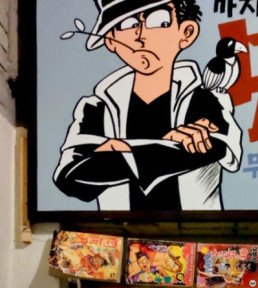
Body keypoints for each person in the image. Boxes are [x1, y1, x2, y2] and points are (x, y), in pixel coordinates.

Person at [54, 0, 244, 211]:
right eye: (128, 24)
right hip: (116, 231)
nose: (141, 35)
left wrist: (118, 149)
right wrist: (165, 146)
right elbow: (71, 178)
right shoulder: (96, 108)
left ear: (186, 32)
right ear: (110, 40)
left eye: (160, 21)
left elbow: (212, 149)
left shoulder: (206, 99)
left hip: (196, 231)